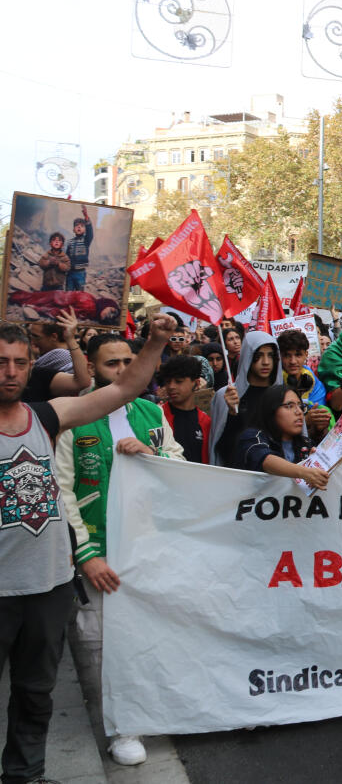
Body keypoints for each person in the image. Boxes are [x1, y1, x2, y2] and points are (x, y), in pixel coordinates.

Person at [0, 313, 176, 784]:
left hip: (49, 584)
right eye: (0, 363)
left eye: (19, 363)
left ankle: (25, 776)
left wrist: (156, 342)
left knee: (36, 693)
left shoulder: (46, 416)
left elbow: (121, 392)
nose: (10, 372)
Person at [54, 329, 186, 768]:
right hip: (101, 549)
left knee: (151, 630)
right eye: (112, 363)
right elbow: (61, 489)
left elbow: (180, 465)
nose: (123, 370)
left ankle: (151, 707)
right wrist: (86, 554)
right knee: (101, 640)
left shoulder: (151, 411)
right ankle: (121, 725)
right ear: (91, 367)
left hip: (149, 544)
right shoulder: (72, 416)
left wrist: (150, 455)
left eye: (128, 361)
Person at [232, 384, 330, 486]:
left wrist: (313, 462)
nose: (299, 412)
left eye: (301, 407)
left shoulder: (306, 443)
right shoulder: (253, 436)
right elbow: (264, 459)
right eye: (289, 406)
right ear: (271, 410)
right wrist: (304, 472)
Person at [209, 333, 283, 466]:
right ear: (248, 356)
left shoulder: (283, 395)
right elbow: (221, 447)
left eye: (270, 355)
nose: (265, 362)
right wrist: (232, 414)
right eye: (258, 356)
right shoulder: (227, 395)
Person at [23, 309, 91, 402]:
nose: (32, 341)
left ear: (54, 337)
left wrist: (70, 339)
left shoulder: (64, 356)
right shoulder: (41, 360)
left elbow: (82, 382)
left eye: (36, 336)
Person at [277, 329, 333, 438]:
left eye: (298, 355)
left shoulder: (314, 382)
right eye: (287, 355)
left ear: (306, 354)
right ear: (280, 356)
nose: (293, 361)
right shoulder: (274, 381)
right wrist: (305, 420)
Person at [158, 354, 211, 464]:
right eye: (168, 381)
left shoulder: (206, 421)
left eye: (178, 381)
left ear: (196, 383)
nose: (171, 386)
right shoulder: (158, 416)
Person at [64, 204, 93, 292]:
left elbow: (90, 232)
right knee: (68, 292)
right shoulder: (70, 242)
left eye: (81, 226)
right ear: (73, 229)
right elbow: (66, 256)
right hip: (70, 272)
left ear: (85, 229)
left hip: (80, 273)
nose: (79, 227)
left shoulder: (86, 240)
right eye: (77, 226)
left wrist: (86, 217)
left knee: (79, 294)